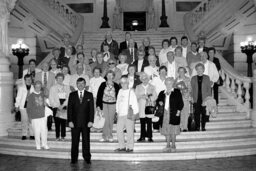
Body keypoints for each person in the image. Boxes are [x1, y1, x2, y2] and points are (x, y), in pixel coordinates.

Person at [68, 78, 94, 164]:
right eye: (79, 83)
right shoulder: (72, 95)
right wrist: (70, 121)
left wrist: (91, 120)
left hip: (86, 123)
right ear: (76, 84)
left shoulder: (89, 95)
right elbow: (69, 109)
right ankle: (74, 158)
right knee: (74, 141)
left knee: (86, 141)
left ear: (85, 84)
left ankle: (87, 158)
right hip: (74, 123)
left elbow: (91, 110)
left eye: (82, 83)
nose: (80, 85)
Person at [156, 77, 184, 152]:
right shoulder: (162, 92)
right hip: (164, 114)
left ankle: (173, 145)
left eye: (170, 83)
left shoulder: (177, 92)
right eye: (167, 83)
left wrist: (178, 112)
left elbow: (180, 103)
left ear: (172, 84)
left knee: (173, 130)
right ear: (165, 84)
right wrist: (159, 102)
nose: (168, 85)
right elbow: (158, 100)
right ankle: (168, 145)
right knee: (166, 130)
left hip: (174, 113)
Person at [115, 76, 139, 152]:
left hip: (129, 114)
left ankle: (130, 147)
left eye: (124, 82)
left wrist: (135, 114)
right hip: (120, 114)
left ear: (127, 83)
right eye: (121, 83)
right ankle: (122, 146)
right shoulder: (119, 91)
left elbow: (135, 103)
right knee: (119, 130)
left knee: (129, 131)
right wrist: (117, 111)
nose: (123, 84)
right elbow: (118, 102)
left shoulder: (131, 92)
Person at [96, 70, 120, 142]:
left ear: (113, 76)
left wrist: (118, 107)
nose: (109, 77)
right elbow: (99, 95)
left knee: (111, 120)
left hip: (113, 104)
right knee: (105, 120)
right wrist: (98, 105)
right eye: (108, 75)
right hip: (104, 104)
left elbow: (118, 97)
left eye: (111, 75)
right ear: (106, 76)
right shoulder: (103, 84)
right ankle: (104, 136)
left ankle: (110, 136)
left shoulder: (116, 85)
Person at [27, 81, 49, 150]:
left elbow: (47, 104)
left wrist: (46, 103)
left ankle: (44, 144)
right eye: (36, 86)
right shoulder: (31, 96)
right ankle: (38, 145)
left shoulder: (43, 95)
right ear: (34, 87)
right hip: (34, 117)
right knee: (36, 131)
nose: (38, 88)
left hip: (43, 115)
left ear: (41, 87)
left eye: (39, 87)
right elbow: (28, 108)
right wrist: (29, 117)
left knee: (44, 131)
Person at [136, 72, 157, 142]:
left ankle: (150, 137)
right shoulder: (138, 87)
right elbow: (136, 96)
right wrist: (142, 96)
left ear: (148, 79)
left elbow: (155, 96)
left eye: (146, 78)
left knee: (149, 122)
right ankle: (142, 137)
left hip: (149, 106)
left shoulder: (152, 87)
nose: (144, 80)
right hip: (141, 106)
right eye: (143, 79)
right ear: (141, 79)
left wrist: (149, 97)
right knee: (142, 122)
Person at [49, 73, 70, 141]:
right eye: (58, 78)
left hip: (64, 106)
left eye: (61, 78)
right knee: (57, 122)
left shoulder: (66, 87)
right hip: (56, 107)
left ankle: (63, 136)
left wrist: (63, 105)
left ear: (63, 79)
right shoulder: (53, 88)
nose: (60, 80)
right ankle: (57, 136)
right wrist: (57, 106)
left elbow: (68, 97)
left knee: (63, 122)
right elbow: (51, 98)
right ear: (56, 79)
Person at [191, 63, 212, 131]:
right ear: (196, 70)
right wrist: (191, 97)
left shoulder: (207, 77)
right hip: (196, 99)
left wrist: (208, 99)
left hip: (204, 99)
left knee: (204, 113)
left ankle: (203, 127)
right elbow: (191, 89)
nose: (199, 70)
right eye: (198, 69)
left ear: (203, 69)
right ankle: (197, 127)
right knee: (196, 114)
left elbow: (209, 89)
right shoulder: (193, 78)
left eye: (201, 68)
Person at [15, 74, 34, 140]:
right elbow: (18, 97)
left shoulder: (34, 87)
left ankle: (32, 134)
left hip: (31, 107)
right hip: (23, 106)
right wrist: (17, 105)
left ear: (31, 80)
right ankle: (24, 134)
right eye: (27, 79)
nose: (29, 81)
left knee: (31, 121)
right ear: (25, 80)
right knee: (24, 121)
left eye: (30, 79)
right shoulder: (21, 87)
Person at [151, 66, 168, 132]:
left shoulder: (168, 79)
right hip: (156, 97)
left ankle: (160, 126)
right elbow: (151, 89)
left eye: (164, 71)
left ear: (166, 72)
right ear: (159, 72)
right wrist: (154, 99)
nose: (163, 73)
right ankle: (156, 127)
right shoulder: (155, 79)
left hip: (166, 98)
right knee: (160, 106)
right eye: (161, 72)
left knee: (162, 107)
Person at [175, 67, 191, 132]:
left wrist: (187, 93)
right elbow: (174, 89)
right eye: (180, 71)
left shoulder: (188, 79)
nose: (181, 73)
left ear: (185, 72)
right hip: (178, 99)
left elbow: (190, 88)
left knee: (185, 113)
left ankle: (185, 127)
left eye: (182, 71)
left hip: (185, 98)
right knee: (179, 112)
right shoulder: (176, 80)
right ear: (178, 72)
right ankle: (180, 126)